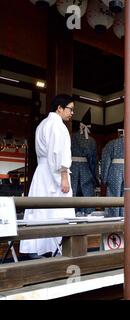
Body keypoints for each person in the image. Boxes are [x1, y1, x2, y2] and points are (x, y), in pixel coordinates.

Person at [19, 94, 76, 258]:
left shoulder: (43, 124)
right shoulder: (57, 125)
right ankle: (55, 248)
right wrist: (63, 176)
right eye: (70, 109)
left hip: (42, 171)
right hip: (54, 172)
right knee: (55, 210)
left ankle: (38, 248)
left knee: (41, 211)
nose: (72, 113)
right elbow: (58, 153)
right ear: (59, 108)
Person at [70, 108, 97, 216]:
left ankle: (72, 213)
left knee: (72, 191)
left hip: (72, 167)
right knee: (86, 191)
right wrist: (95, 175)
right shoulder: (91, 140)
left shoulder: (71, 137)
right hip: (86, 168)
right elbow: (93, 159)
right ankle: (87, 213)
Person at [101, 129, 124, 217]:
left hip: (115, 170)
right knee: (126, 196)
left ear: (118, 133)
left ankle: (113, 219)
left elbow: (106, 161)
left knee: (113, 195)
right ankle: (124, 218)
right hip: (128, 171)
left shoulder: (111, 144)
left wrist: (104, 178)